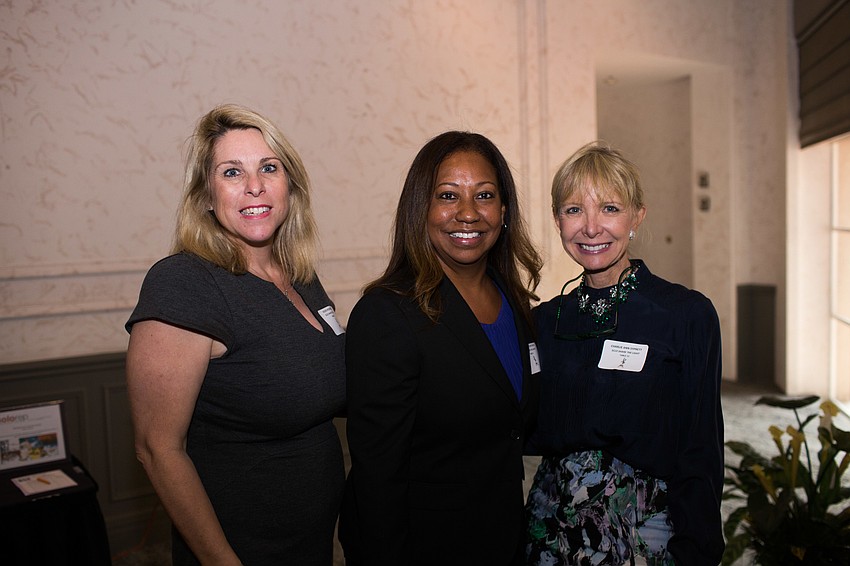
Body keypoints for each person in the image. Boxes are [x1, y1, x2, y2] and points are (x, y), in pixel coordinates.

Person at [125, 104, 346, 566]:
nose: (255, 186)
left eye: (269, 167)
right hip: (240, 549)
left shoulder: (299, 276)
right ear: (206, 195)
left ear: (291, 185)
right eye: (232, 172)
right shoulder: (186, 282)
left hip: (312, 541)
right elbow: (157, 449)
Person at [339, 131, 543, 566]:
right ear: (421, 210)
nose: (467, 214)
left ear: (504, 211)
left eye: (484, 195)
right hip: (423, 548)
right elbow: (377, 476)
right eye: (448, 195)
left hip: (501, 539)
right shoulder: (387, 315)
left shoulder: (514, 303)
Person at [524, 141, 724, 565]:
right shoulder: (545, 322)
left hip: (640, 532)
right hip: (549, 531)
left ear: (637, 216)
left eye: (610, 208)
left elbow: (701, 446)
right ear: (558, 220)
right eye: (574, 210)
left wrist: (698, 549)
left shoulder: (684, 314)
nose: (591, 228)